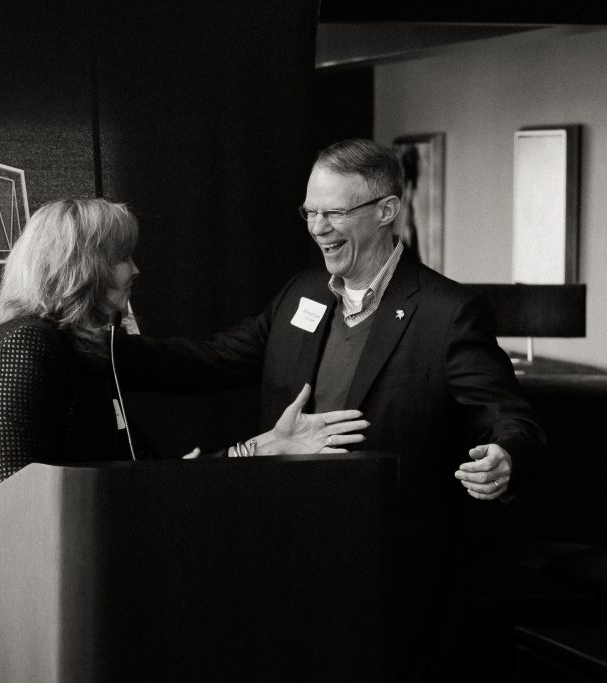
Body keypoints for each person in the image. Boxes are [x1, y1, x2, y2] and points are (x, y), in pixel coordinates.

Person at [115, 139, 546, 680]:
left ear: (386, 210)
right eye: (310, 212)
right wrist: (101, 349)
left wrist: (506, 458)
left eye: (334, 213)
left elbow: (511, 418)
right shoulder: (303, 293)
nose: (318, 228)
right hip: (284, 556)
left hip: (390, 574)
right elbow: (212, 360)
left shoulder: (448, 313)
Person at [0, 198, 370, 522]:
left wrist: (265, 447)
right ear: (84, 267)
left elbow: (143, 474)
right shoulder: (27, 344)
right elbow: (15, 503)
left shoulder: (89, 348)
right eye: (122, 257)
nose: (136, 270)